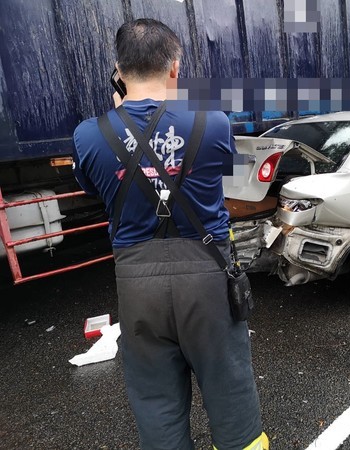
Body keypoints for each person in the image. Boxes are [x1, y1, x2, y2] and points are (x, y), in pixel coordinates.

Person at [72, 19, 268, 450]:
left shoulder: (89, 135)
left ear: (118, 71)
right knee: (230, 392)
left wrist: (120, 115)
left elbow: (94, 188)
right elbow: (223, 170)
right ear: (175, 68)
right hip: (209, 279)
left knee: (156, 402)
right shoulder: (212, 122)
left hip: (137, 286)